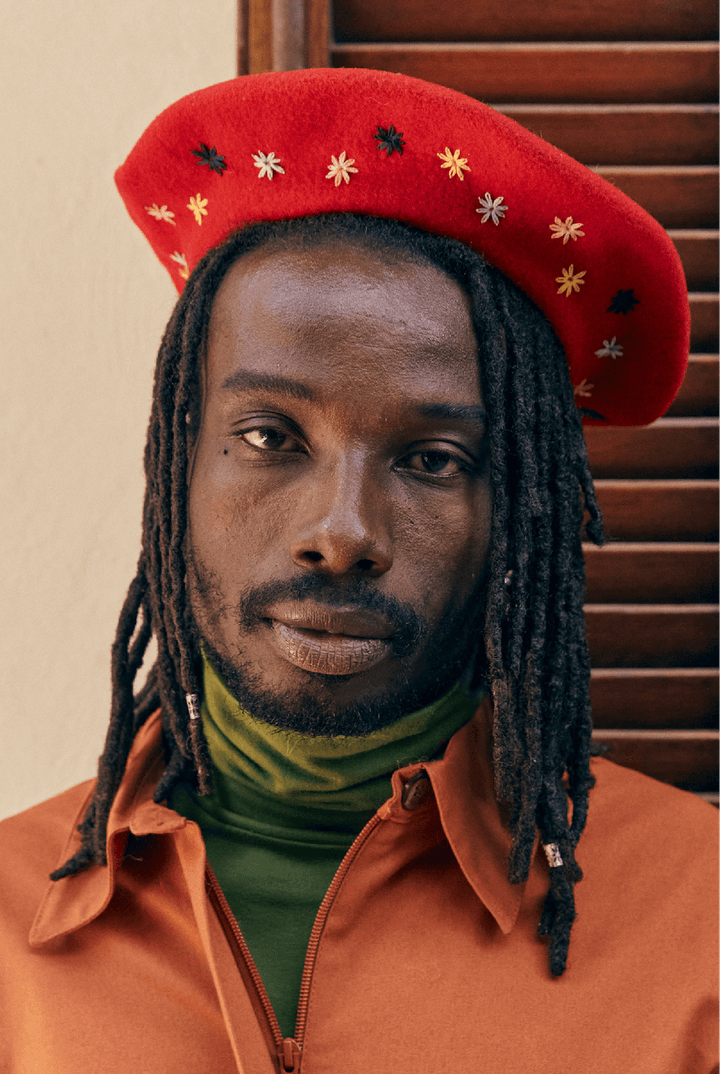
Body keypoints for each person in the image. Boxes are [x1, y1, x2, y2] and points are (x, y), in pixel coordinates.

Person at [0, 69, 716, 1074]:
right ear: (177, 460)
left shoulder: (702, 923)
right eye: (268, 435)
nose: (340, 533)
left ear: (517, 509)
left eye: (432, 459)